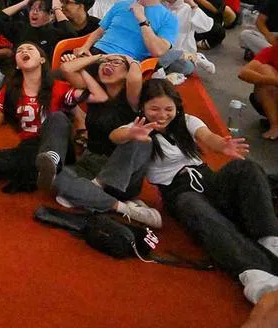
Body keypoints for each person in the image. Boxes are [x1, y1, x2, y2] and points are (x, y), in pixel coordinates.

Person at [112, 79, 278, 305]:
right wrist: (132, 133)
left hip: (208, 180)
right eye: (154, 109)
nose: (162, 115)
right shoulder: (139, 127)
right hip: (179, 193)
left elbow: (208, 138)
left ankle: (270, 239)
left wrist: (223, 145)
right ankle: (254, 271)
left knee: (247, 167)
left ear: (177, 107)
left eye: (168, 109)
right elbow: (115, 135)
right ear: (143, 108)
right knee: (196, 209)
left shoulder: (187, 121)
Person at [0, 42, 106, 193]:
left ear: (42, 60)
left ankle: (51, 160)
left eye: (30, 49)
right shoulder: (10, 91)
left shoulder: (58, 87)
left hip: (59, 147)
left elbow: (100, 96)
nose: (24, 50)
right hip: (28, 151)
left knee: (57, 117)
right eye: (20, 50)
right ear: (17, 64)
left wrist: (85, 66)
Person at [47, 52, 162, 227]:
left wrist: (129, 60)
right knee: (56, 179)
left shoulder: (132, 98)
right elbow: (66, 68)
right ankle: (125, 209)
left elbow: (136, 77)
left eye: (116, 63)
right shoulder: (95, 91)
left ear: (127, 71)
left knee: (141, 139)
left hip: (120, 174)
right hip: (89, 163)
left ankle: (89, 195)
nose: (108, 64)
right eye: (105, 62)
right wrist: (95, 58)